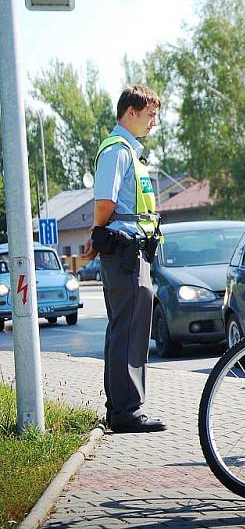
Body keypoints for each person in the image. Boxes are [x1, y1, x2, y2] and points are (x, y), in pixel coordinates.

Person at [82, 85, 165, 433]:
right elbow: (105, 202)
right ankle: (125, 411)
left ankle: (122, 407)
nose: (153, 124)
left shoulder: (130, 151)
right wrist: (97, 236)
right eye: (149, 116)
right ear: (130, 112)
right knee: (128, 330)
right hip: (125, 251)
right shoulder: (117, 150)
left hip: (133, 251)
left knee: (128, 330)